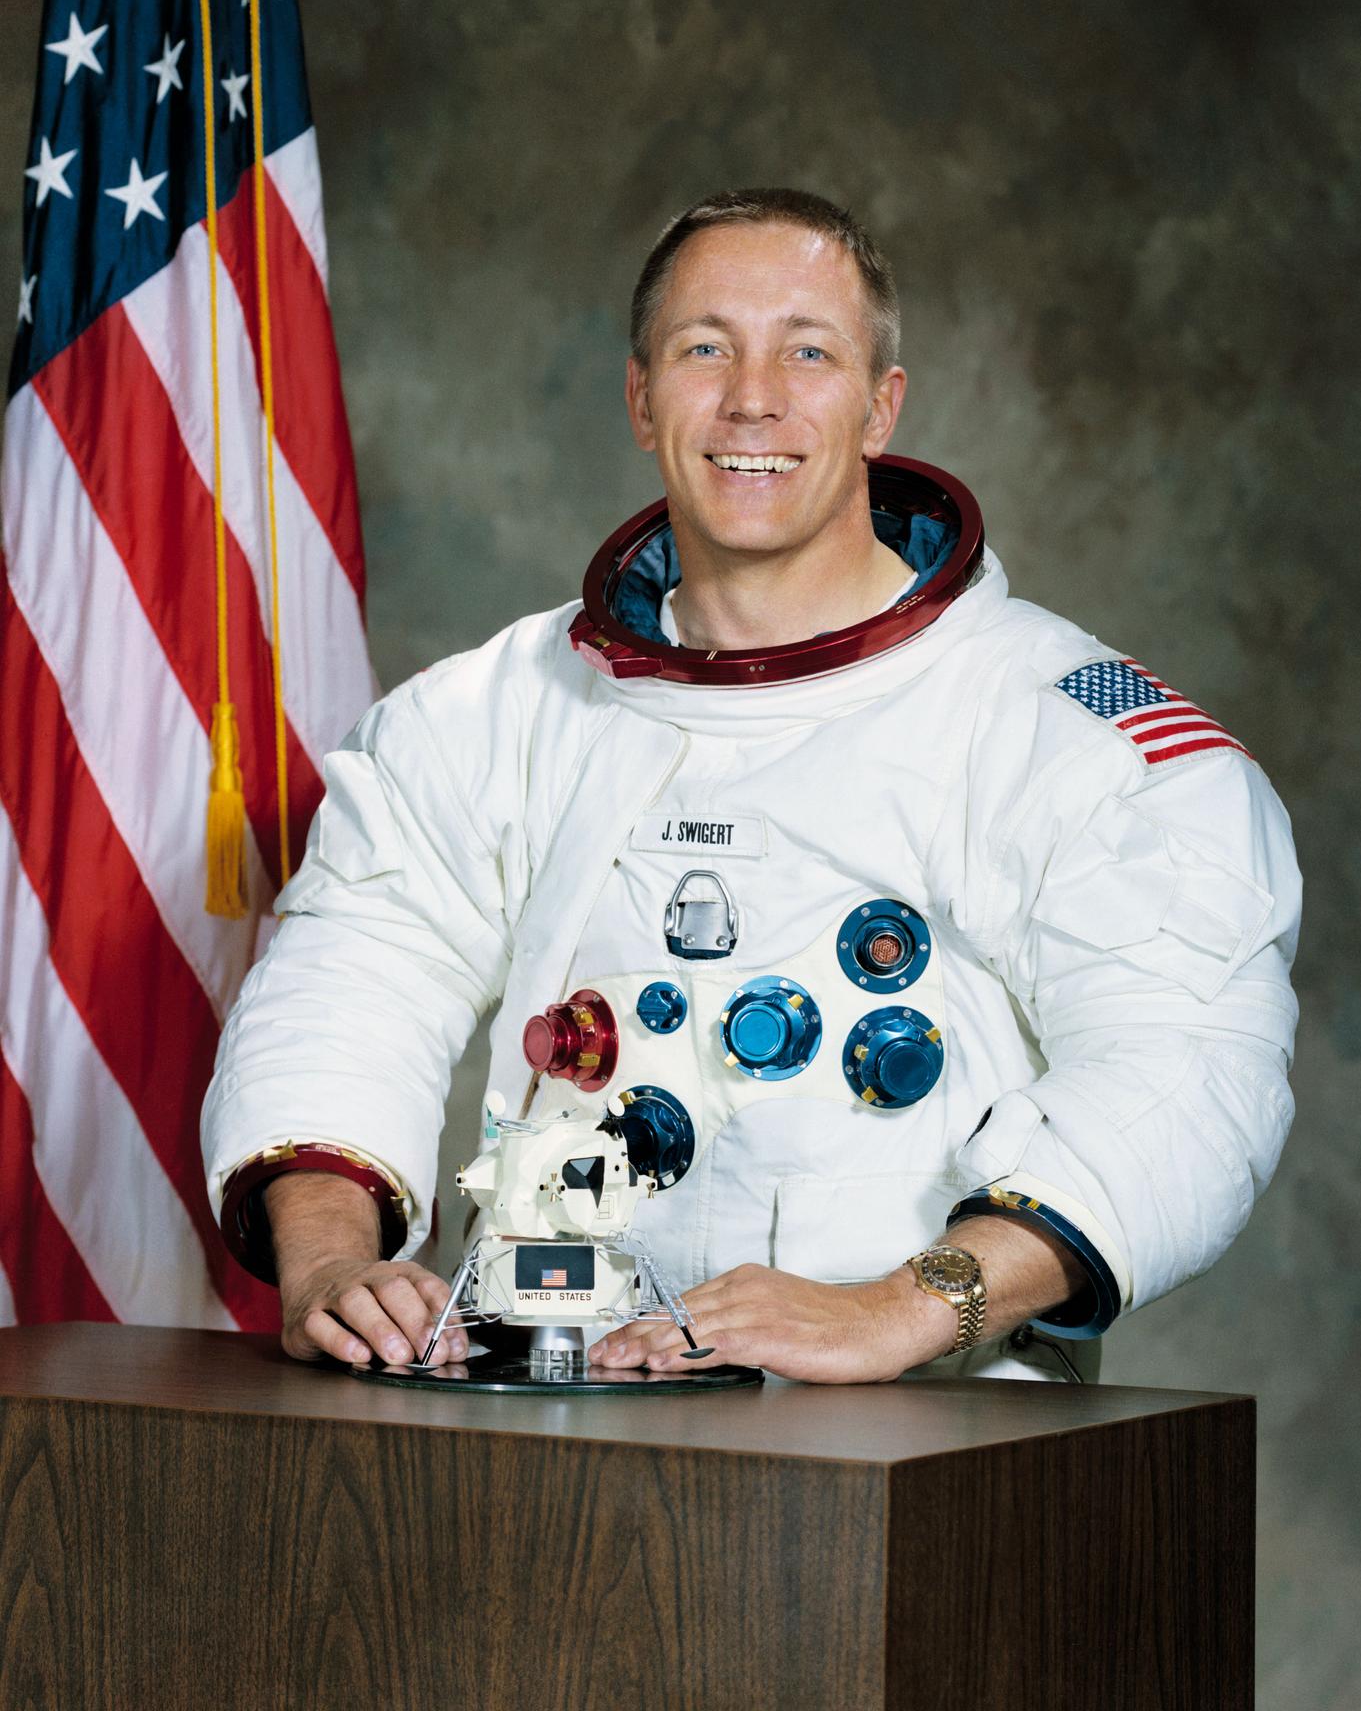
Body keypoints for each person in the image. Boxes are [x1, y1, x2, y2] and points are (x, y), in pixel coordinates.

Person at [202, 188, 1302, 1385]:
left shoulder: (1061, 724)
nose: (753, 399)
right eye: (704, 348)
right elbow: (356, 970)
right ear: (640, 398)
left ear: (883, 406)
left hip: (925, 1445)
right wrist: (326, 1264)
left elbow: (1192, 1063)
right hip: (551, 1414)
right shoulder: (492, 710)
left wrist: (897, 1308)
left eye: (809, 352)